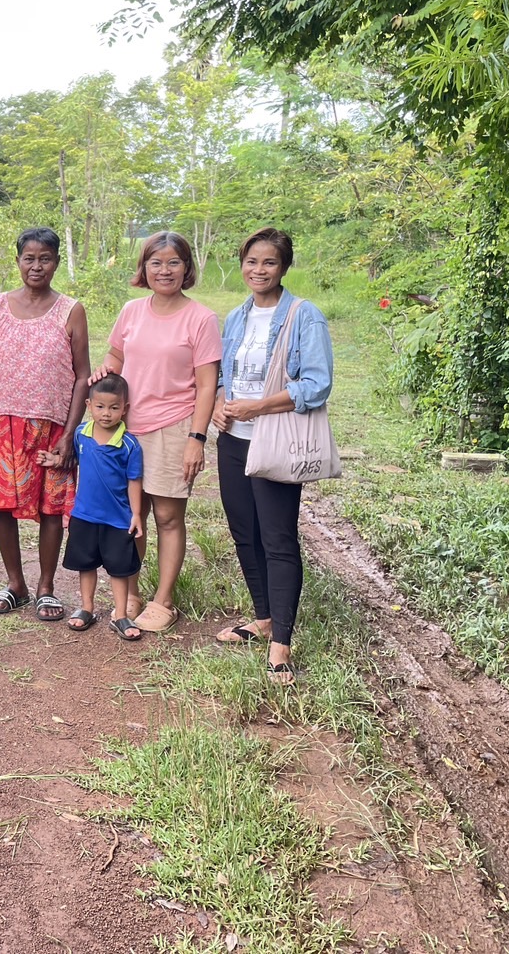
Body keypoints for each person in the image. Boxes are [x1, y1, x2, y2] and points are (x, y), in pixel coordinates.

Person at [212, 227, 334, 685]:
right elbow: (225, 371)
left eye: (268, 262)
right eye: (251, 261)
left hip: (276, 438)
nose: (258, 270)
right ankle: (262, 618)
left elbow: (317, 384)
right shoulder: (237, 316)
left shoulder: (305, 316)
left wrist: (257, 406)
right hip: (234, 439)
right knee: (244, 533)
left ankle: (281, 642)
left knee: (277, 539)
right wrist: (225, 402)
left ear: (283, 267)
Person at [94, 231, 221, 633]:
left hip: (173, 427)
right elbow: (116, 356)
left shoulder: (200, 318)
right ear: (143, 268)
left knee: (166, 516)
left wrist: (196, 440)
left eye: (173, 263)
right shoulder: (131, 311)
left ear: (186, 269)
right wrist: (105, 371)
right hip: (125, 430)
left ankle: (163, 600)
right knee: (130, 515)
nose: (164, 270)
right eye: (155, 262)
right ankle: (128, 591)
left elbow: (206, 385)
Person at [0, 227, 90, 622]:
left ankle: (45, 587)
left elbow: (81, 375)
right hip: (3, 421)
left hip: (52, 426)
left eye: (45, 258)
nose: (36, 266)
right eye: (29, 258)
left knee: (51, 507)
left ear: (56, 262)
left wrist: (71, 434)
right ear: (18, 260)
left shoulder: (70, 310)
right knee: (2, 505)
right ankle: (15, 583)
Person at [46, 375, 145, 638]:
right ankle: (86, 608)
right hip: (84, 516)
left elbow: (134, 481)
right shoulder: (81, 434)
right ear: (89, 405)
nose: (106, 413)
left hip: (118, 519)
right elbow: (72, 461)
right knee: (86, 564)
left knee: (119, 568)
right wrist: (54, 460)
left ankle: (121, 615)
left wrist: (136, 514)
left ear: (125, 408)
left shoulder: (129, 444)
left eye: (114, 407)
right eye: (100, 407)